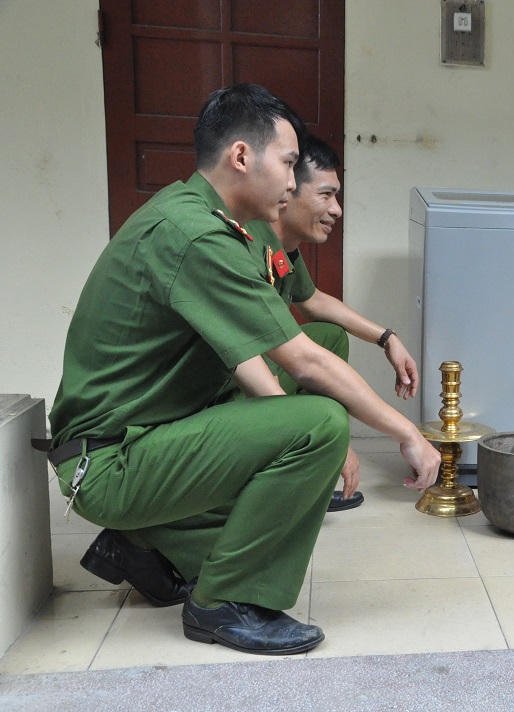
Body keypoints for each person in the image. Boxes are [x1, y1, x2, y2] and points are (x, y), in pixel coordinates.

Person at [48, 84, 441, 656]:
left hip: (135, 440)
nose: (292, 181)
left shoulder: (203, 219)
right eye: (287, 163)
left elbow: (271, 346)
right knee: (320, 426)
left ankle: (149, 545)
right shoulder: (196, 236)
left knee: (302, 431)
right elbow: (301, 359)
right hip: (111, 462)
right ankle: (224, 602)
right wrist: (407, 433)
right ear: (240, 156)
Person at [243, 134, 421, 513]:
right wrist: (324, 438)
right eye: (325, 195)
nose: (336, 210)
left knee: (329, 336)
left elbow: (313, 301)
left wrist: (387, 338)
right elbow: (253, 360)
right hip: (226, 386)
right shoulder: (247, 243)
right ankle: (287, 477)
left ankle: (307, 465)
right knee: (310, 363)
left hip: (251, 369)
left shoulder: (282, 248)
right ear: (287, 190)